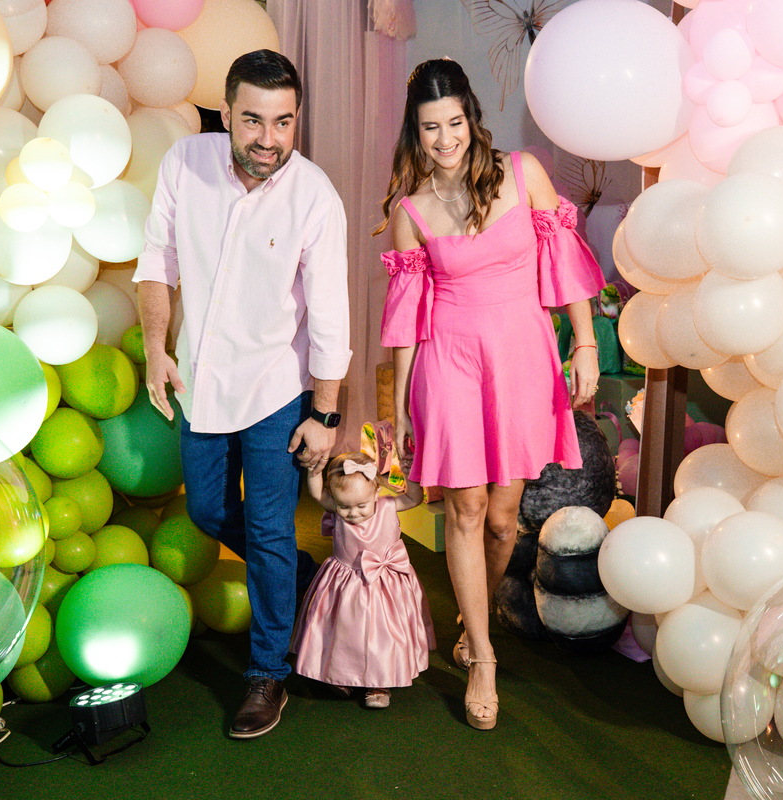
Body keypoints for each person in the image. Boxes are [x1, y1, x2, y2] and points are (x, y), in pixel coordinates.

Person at [374, 59, 603, 730]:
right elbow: (406, 325)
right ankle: (482, 656)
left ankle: (474, 616)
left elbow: (563, 262)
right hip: (448, 362)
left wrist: (585, 345)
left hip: (522, 357)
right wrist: (398, 409)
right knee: (466, 508)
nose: (445, 140)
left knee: (504, 519)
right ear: (414, 134)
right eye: (430, 128)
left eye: (454, 123)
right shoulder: (411, 212)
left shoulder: (524, 174)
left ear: (472, 119)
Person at [134, 49, 351, 740]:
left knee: (267, 527)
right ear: (226, 113)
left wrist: (324, 414)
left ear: (297, 120)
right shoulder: (185, 163)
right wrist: (156, 350)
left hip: (276, 386)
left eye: (283, 122)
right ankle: (293, 573)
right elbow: (156, 260)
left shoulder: (314, 195)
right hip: (201, 380)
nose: (268, 138)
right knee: (205, 508)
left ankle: (267, 673)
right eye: (253, 119)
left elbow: (330, 316)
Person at [291, 452, 434, 709]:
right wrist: (315, 469)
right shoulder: (336, 508)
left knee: (383, 634)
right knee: (343, 630)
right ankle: (339, 673)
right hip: (344, 582)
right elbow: (316, 494)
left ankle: (380, 682)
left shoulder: (388, 506)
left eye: (361, 505)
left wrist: (409, 472)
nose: (353, 513)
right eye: (344, 506)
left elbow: (414, 498)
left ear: (376, 492)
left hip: (384, 585)